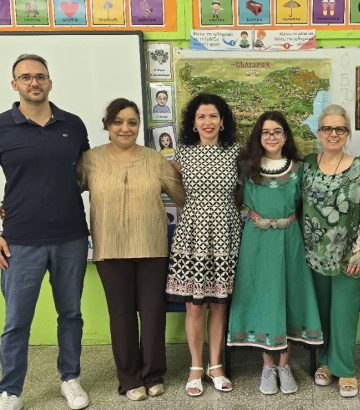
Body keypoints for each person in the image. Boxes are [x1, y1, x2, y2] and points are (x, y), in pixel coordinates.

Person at [77, 98, 185, 401]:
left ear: (139, 126)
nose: (125, 128)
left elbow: (182, 197)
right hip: (110, 248)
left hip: (152, 247)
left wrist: (185, 172)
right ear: (107, 125)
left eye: (132, 122)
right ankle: (129, 379)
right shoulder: (90, 160)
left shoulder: (155, 159)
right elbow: (63, 194)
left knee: (153, 313)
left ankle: (153, 375)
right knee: (121, 314)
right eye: (118, 122)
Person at [0, 54, 90, 410]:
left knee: (70, 314)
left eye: (40, 76)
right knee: (16, 321)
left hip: (71, 236)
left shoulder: (74, 125)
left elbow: (86, 174)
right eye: (26, 77)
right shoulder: (2, 126)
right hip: (21, 241)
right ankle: (11, 390)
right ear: (15, 84)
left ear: (50, 82)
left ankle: (70, 378)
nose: (33, 82)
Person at [227, 111, 323, 395]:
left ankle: (284, 364)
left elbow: (306, 206)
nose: (271, 137)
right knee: (263, 296)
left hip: (289, 238)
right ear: (259, 136)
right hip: (256, 240)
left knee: (287, 295)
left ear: (285, 136)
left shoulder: (298, 168)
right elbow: (237, 203)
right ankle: (267, 366)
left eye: (277, 131)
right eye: (266, 132)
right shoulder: (247, 167)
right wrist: (254, 217)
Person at [301, 105, 360, 398]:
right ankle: (326, 362)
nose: (332, 134)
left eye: (339, 129)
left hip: (350, 257)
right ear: (318, 132)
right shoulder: (307, 165)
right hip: (314, 256)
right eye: (327, 128)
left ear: (347, 134)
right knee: (322, 313)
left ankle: (345, 369)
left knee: (344, 314)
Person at [166, 94, 241, 397]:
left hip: (226, 235)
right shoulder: (182, 153)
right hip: (192, 236)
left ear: (222, 122)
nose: (207, 122)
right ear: (193, 123)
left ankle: (216, 365)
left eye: (213, 116)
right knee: (195, 306)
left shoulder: (236, 152)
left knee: (219, 304)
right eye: (201, 117)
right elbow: (175, 191)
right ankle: (196, 367)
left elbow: (241, 195)